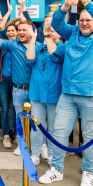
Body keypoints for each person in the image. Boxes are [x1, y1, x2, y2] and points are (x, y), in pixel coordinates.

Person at [39, 0, 93, 186]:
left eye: (88, 20)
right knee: (59, 132)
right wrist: (65, 6)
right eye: (81, 20)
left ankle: (88, 173)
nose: (84, 23)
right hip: (68, 93)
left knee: (90, 137)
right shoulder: (73, 33)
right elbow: (57, 24)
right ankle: (56, 169)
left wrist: (86, 2)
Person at [0, 17, 34, 156]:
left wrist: (22, 12)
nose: (10, 33)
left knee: (17, 111)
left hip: (20, 83)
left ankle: (17, 135)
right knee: (6, 109)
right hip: (4, 80)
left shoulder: (23, 45)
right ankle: (6, 135)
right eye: (8, 31)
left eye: (13, 30)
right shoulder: (8, 45)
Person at [25, 22, 65, 165]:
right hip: (37, 94)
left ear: (59, 34)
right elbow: (29, 57)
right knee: (36, 126)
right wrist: (33, 38)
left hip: (55, 95)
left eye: (53, 31)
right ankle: (35, 153)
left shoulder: (62, 48)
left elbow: (55, 54)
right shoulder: (38, 48)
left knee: (54, 128)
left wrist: (47, 34)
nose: (50, 32)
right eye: (48, 31)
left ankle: (52, 154)